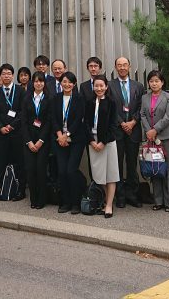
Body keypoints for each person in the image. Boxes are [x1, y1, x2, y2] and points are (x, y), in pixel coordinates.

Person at [140, 69, 169, 212]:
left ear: (162, 82)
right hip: (150, 138)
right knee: (154, 168)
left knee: (167, 169)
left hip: (165, 137)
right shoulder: (145, 98)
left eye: (157, 81)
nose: (154, 83)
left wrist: (155, 129)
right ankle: (158, 200)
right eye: (151, 81)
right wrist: (149, 131)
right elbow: (142, 114)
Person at [111, 56, 145, 208]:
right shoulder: (110, 85)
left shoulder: (138, 86)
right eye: (119, 65)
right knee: (117, 164)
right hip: (117, 131)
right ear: (116, 67)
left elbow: (141, 108)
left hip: (133, 130)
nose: (122, 67)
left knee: (132, 165)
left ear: (129, 67)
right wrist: (122, 123)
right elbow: (110, 107)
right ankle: (120, 196)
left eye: (125, 65)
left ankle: (132, 194)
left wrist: (132, 122)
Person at [51, 71, 86, 214]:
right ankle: (65, 202)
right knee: (62, 171)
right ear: (61, 83)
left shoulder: (79, 98)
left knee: (71, 170)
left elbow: (79, 119)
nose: (66, 84)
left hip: (76, 139)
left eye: (69, 82)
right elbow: (52, 118)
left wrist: (67, 134)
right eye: (64, 82)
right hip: (59, 139)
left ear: (74, 84)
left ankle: (76, 202)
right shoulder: (55, 98)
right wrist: (60, 135)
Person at [0, 63, 26, 200]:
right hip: (2, 134)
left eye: (9, 73)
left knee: (19, 161)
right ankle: (3, 190)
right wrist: (0, 127)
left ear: (12, 75)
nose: (6, 76)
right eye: (3, 74)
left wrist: (11, 126)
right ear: (0, 76)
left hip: (17, 133)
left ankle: (20, 190)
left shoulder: (20, 91)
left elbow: (22, 112)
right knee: (2, 161)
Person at [85, 75, 119, 218]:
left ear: (106, 87)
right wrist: (92, 141)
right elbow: (85, 123)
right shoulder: (89, 102)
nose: (99, 88)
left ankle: (109, 205)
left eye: (101, 86)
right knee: (99, 175)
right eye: (96, 86)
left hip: (108, 143)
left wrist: (103, 142)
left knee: (110, 174)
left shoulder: (111, 102)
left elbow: (113, 125)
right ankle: (105, 199)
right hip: (93, 142)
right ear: (93, 87)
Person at [21, 71, 51, 209]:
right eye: (36, 81)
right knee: (30, 169)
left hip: (43, 141)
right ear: (32, 82)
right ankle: (33, 198)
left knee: (41, 169)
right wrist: (29, 141)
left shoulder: (49, 98)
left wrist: (40, 141)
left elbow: (49, 122)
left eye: (41, 81)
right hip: (29, 141)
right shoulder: (26, 98)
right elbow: (24, 122)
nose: (38, 83)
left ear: (44, 83)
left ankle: (42, 199)